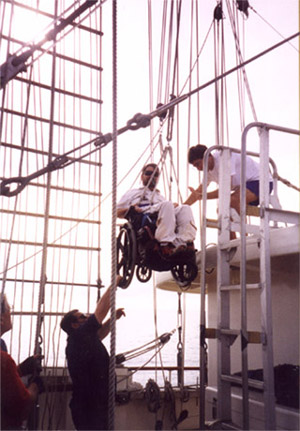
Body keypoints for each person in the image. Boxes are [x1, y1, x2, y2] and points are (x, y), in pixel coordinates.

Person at [60, 276, 125, 431]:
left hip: (94, 404)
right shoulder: (78, 336)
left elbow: (100, 334)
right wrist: (114, 284)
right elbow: (100, 310)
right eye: (82, 317)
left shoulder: (80, 340)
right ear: (75, 325)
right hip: (89, 407)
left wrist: (113, 319)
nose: (87, 316)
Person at [117, 163, 197, 256]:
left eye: (155, 175)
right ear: (142, 176)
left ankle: (183, 242)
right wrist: (131, 208)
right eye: (148, 173)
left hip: (161, 212)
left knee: (185, 209)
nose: (152, 176)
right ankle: (165, 244)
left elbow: (167, 208)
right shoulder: (132, 193)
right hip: (144, 215)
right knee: (167, 204)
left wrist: (172, 207)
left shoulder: (160, 197)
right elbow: (116, 212)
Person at [185, 144, 273, 214]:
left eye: (198, 164)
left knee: (232, 201)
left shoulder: (224, 157)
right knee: (221, 210)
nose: (198, 168)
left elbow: (225, 190)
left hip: (262, 181)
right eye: (195, 166)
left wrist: (202, 196)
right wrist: (182, 207)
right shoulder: (207, 172)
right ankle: (233, 237)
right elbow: (198, 192)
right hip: (245, 186)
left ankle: (244, 236)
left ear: (208, 157)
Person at [1, 294, 44, 430]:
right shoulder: (3, 358)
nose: (10, 313)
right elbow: (21, 402)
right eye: (9, 309)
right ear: (1, 318)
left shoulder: (1, 344)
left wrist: (20, 369)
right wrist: (34, 388)